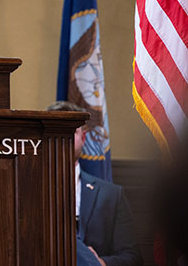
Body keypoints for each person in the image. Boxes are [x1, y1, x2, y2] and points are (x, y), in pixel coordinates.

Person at [47, 101, 143, 266]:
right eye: (55, 131)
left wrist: (100, 263)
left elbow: (133, 258)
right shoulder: (26, 192)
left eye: (70, 131)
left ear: (83, 137)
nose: (62, 138)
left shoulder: (111, 195)